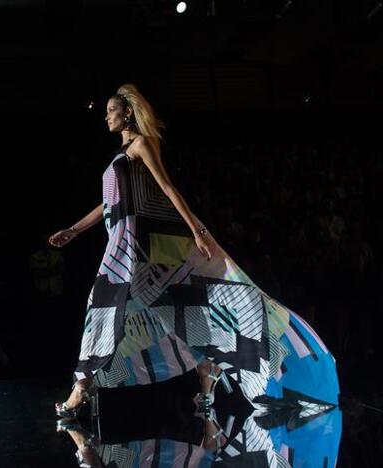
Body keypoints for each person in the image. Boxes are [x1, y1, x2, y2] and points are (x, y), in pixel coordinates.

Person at [49, 83, 339, 455]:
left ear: (128, 114)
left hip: (139, 246)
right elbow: (108, 205)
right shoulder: (121, 156)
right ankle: (204, 375)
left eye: (111, 110)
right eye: (106, 111)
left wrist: (197, 231)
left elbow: (169, 189)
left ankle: (79, 392)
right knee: (164, 313)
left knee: (104, 308)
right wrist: (74, 229)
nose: (105, 116)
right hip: (121, 244)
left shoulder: (140, 145)